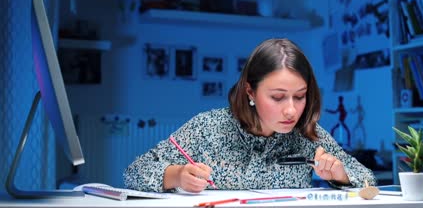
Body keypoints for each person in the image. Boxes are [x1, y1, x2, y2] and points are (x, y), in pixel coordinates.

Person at [123, 38, 376, 193]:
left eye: (300, 96)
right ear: (250, 92)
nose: (291, 110)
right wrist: (175, 175)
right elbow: (134, 172)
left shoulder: (309, 134)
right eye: (277, 97)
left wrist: (340, 175)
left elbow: (369, 180)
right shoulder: (207, 127)